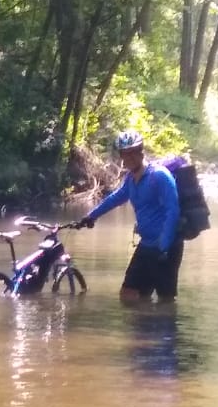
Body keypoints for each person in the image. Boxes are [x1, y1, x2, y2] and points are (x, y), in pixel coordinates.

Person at [77, 130, 184, 304]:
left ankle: (163, 330)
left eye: (134, 152)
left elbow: (173, 211)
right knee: (129, 294)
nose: (130, 157)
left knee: (166, 301)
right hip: (146, 245)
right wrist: (91, 216)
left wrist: (163, 246)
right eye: (125, 154)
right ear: (121, 156)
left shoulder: (160, 176)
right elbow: (116, 198)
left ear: (141, 151)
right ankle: (140, 329)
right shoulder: (131, 179)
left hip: (167, 248)